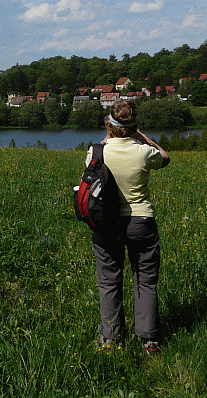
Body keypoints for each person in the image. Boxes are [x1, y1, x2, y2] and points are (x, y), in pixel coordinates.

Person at [87, 100, 170, 355]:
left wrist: (110, 133)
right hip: (141, 221)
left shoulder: (96, 152)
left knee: (109, 280)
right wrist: (143, 138)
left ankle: (109, 337)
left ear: (109, 125)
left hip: (106, 222)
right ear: (135, 127)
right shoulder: (143, 152)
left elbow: (98, 155)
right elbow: (165, 158)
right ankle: (149, 341)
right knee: (145, 280)